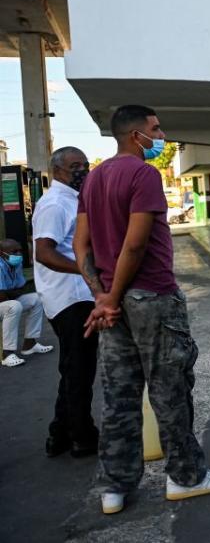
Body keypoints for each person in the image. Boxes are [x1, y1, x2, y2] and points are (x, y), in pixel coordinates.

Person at [74, 105, 210, 515]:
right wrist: (110, 297)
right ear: (134, 135)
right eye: (155, 129)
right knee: (170, 391)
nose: (160, 135)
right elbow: (135, 243)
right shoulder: (143, 174)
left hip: (112, 302)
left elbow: (81, 245)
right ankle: (186, 476)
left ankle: (115, 487)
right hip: (152, 299)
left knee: (119, 394)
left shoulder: (93, 179)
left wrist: (102, 294)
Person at [33, 146, 99, 457]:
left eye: (85, 164)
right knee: (80, 370)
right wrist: (85, 270)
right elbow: (44, 252)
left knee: (73, 367)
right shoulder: (55, 204)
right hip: (69, 298)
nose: (82, 170)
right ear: (57, 170)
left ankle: (59, 434)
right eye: (75, 166)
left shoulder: (72, 200)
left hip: (75, 294)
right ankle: (82, 437)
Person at [1, 239, 50, 367]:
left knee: (37, 299)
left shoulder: (16, 264)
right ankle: (7, 354)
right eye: (14, 251)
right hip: (5, 302)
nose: (18, 254)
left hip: (6, 300)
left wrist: (8, 292)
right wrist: (10, 292)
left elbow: (22, 288)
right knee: (14, 306)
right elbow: (2, 296)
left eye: (19, 251)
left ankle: (30, 344)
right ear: (2, 253)